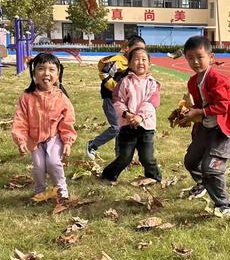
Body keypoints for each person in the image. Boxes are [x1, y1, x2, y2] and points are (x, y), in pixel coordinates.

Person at [181, 36, 230, 218]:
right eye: (190, 58)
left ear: (210, 57)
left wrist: (198, 112)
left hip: (222, 131)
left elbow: (222, 106)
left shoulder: (217, 79)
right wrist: (186, 114)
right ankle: (203, 183)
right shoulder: (193, 81)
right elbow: (197, 107)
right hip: (205, 128)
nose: (195, 62)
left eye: (199, 57)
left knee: (212, 168)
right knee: (191, 161)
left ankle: (224, 205)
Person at [11, 53, 76, 199]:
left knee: (53, 162)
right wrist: (21, 140)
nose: (46, 73)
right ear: (34, 73)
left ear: (58, 74)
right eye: (41, 69)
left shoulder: (61, 97)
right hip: (35, 140)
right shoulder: (27, 97)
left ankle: (61, 188)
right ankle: (40, 190)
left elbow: (68, 121)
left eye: (51, 69)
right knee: (39, 167)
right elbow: (20, 120)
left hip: (54, 137)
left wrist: (67, 141)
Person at [101, 47, 161, 182]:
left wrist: (140, 116)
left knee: (147, 157)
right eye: (136, 59)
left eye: (144, 59)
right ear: (129, 63)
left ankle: (154, 177)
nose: (140, 62)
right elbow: (117, 100)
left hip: (146, 126)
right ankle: (108, 175)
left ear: (149, 63)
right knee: (125, 157)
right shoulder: (124, 81)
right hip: (127, 125)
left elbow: (152, 102)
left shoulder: (153, 83)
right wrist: (126, 114)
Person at [86, 35, 146, 159]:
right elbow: (104, 71)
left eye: (142, 50)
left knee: (123, 128)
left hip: (125, 103)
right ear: (128, 48)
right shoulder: (118, 61)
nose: (139, 53)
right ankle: (93, 144)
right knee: (116, 127)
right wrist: (113, 86)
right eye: (136, 49)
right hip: (111, 99)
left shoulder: (136, 64)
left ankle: (121, 158)